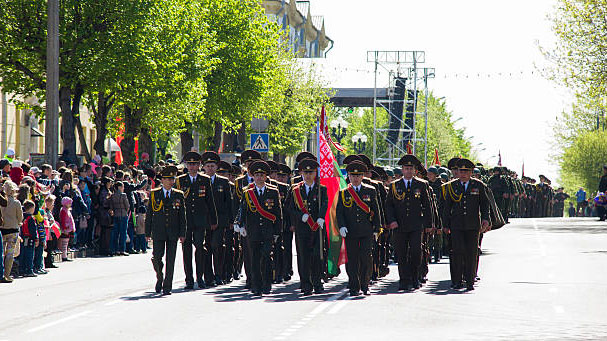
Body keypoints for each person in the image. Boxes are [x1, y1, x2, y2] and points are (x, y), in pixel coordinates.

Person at [234, 160, 282, 296]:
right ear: (253, 176)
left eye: (262, 175)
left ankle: (267, 285)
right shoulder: (247, 192)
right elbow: (242, 209)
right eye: (257, 175)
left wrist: (277, 232)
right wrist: (240, 223)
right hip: (253, 231)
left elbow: (278, 214)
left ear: (266, 176)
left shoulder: (273, 191)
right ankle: (256, 285)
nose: (259, 177)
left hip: (268, 231)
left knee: (266, 257)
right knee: (254, 259)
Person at [385, 154, 433, 291]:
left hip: (416, 225)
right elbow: (389, 206)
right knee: (401, 253)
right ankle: (404, 280)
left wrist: (428, 224)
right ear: (402, 170)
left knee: (416, 253)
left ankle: (415, 278)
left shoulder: (422, 185)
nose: (408, 171)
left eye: (411, 168)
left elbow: (427, 206)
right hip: (399, 225)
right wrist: (392, 221)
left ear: (415, 170)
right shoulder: (395, 185)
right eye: (406, 168)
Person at [442, 158, 490, 291]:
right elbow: (447, 207)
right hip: (456, 225)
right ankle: (457, 280)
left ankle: (470, 281)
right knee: (457, 252)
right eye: (460, 171)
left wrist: (486, 219)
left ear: (471, 173)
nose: (462, 174)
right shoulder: (452, 186)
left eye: (466, 171)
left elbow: (485, 205)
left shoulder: (478, 185)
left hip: (473, 225)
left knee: (471, 253)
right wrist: (445, 225)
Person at [336, 161, 381, 296]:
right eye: (352, 175)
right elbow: (339, 212)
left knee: (366, 258)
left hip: (366, 230)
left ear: (362, 177)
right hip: (350, 231)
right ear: (348, 176)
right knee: (353, 260)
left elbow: (376, 210)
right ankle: (354, 286)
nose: (355, 178)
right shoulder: (343, 193)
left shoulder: (370, 190)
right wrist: (342, 226)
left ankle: (365, 284)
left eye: (358, 175)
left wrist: (377, 228)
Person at [176, 151, 217, 290]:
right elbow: (177, 204)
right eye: (190, 164)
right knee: (186, 250)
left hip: (201, 220)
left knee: (200, 248)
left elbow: (210, 201)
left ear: (200, 165)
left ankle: (200, 278)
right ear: (186, 165)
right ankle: (189, 279)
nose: (192, 167)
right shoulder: (180, 180)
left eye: (195, 164)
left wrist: (213, 220)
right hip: (186, 221)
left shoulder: (204, 179)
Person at [287, 158, 328, 295]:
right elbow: (289, 208)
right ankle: (305, 284)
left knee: (317, 256)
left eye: (311, 172)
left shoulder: (321, 189)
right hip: (302, 228)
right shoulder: (295, 190)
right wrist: (300, 216)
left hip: (317, 227)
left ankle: (317, 282)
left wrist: (321, 217)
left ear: (316, 173)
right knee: (303, 256)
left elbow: (324, 204)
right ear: (301, 173)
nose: (309, 175)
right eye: (306, 172)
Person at [146, 165, 187, 295]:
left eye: (172, 179)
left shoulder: (178, 195)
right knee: (157, 257)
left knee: (171, 260)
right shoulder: (154, 194)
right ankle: (160, 276)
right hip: (158, 231)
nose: (171, 181)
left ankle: (167, 286)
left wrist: (182, 233)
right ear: (162, 180)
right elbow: (149, 215)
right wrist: (147, 233)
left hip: (173, 232)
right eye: (168, 179)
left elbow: (182, 216)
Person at [201, 151, 230, 286]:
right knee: (205, 248)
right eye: (208, 166)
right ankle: (208, 276)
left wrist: (229, 221)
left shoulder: (223, 182)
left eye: (213, 166)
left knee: (217, 246)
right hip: (205, 221)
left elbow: (227, 203)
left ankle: (219, 274)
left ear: (216, 167)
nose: (210, 168)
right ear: (204, 167)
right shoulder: (200, 181)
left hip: (220, 221)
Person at [108, 181, 130, 256]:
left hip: (115, 215)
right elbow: (127, 206)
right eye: (122, 187)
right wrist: (125, 212)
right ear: (119, 187)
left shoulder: (112, 196)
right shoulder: (123, 195)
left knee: (115, 233)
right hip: (123, 214)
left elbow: (111, 207)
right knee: (123, 233)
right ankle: (122, 250)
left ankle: (114, 250)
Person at [19, 200, 39, 277]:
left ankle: (22, 269)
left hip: (23, 237)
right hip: (30, 239)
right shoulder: (31, 218)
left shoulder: (22, 216)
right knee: (30, 254)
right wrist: (36, 238)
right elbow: (33, 230)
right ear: (31, 209)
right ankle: (29, 270)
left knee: (23, 254)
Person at [59, 197, 76, 262]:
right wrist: (64, 228)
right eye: (69, 203)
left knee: (66, 243)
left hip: (68, 229)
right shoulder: (63, 210)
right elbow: (62, 220)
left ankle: (65, 255)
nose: (70, 204)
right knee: (64, 243)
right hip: (65, 229)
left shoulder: (67, 210)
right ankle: (64, 257)